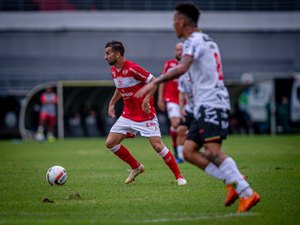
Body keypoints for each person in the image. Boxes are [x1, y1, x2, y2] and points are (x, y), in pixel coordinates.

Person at [136, 3, 260, 212]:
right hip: (203, 104)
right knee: (189, 151)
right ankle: (232, 181)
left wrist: (155, 83)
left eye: (174, 21)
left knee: (212, 152)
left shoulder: (194, 41)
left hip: (212, 103)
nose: (173, 25)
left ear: (182, 22)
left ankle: (246, 192)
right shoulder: (205, 41)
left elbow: (182, 67)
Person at [104, 41, 187, 186]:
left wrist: (146, 100)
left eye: (107, 53)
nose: (105, 57)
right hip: (128, 115)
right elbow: (120, 87)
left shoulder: (133, 68)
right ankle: (136, 167)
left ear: (117, 54)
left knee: (158, 146)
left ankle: (179, 176)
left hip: (144, 115)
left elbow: (155, 81)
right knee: (110, 143)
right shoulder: (114, 71)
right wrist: (112, 103)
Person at [157, 42, 183, 162]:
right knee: (176, 123)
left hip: (186, 100)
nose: (180, 52)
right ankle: (178, 152)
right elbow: (162, 81)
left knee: (184, 127)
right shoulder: (169, 64)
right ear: (175, 51)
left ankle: (183, 152)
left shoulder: (189, 65)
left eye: (182, 49)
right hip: (171, 98)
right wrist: (160, 98)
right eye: (177, 50)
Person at [176, 73, 194, 162]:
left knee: (203, 133)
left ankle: (206, 153)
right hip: (189, 109)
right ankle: (180, 157)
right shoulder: (183, 77)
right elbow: (181, 94)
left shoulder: (201, 74)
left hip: (201, 109)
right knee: (180, 130)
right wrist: (181, 109)